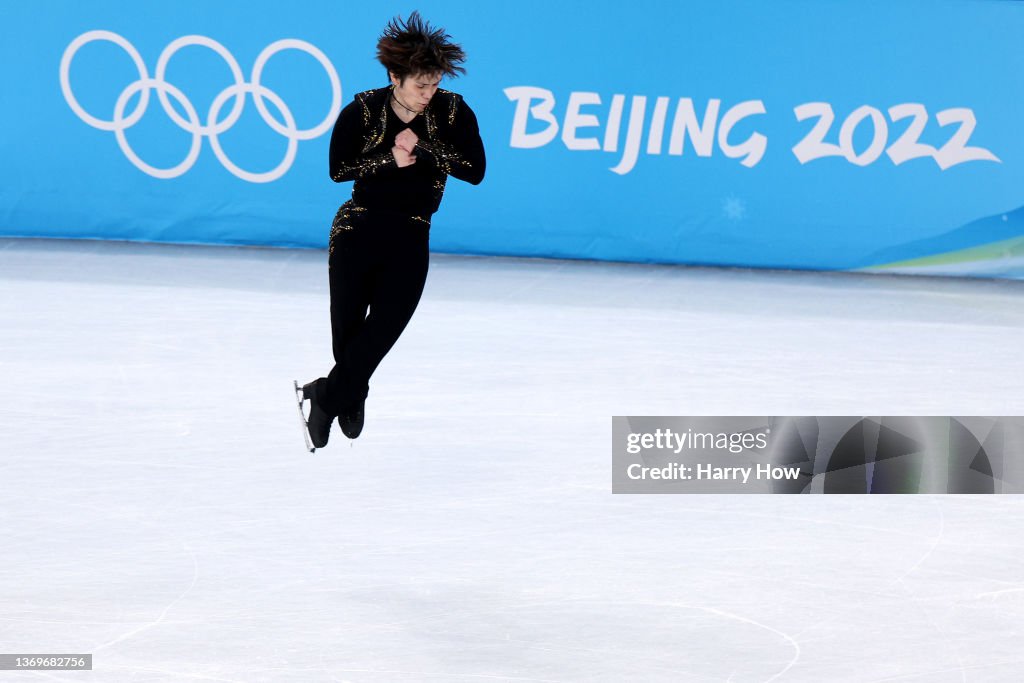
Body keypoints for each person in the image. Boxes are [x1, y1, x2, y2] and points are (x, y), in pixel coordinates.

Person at [300, 11, 485, 447]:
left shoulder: (454, 111)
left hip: (411, 231)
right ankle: (352, 392)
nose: (428, 94)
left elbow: (475, 170)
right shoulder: (363, 109)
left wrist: (425, 147)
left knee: (385, 326)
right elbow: (337, 170)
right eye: (421, 85)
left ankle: (326, 394)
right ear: (394, 75)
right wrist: (388, 159)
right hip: (357, 227)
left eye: (434, 84)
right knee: (347, 330)